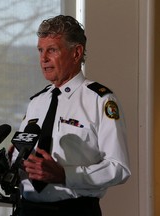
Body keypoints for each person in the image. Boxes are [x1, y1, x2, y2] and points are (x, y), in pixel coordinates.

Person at [10, 15, 131, 216]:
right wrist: (12, 159)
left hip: (73, 210)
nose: (43, 58)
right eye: (40, 50)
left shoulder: (100, 100)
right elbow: (25, 157)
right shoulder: (37, 102)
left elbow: (119, 168)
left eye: (52, 50)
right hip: (27, 209)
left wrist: (66, 175)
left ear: (76, 53)